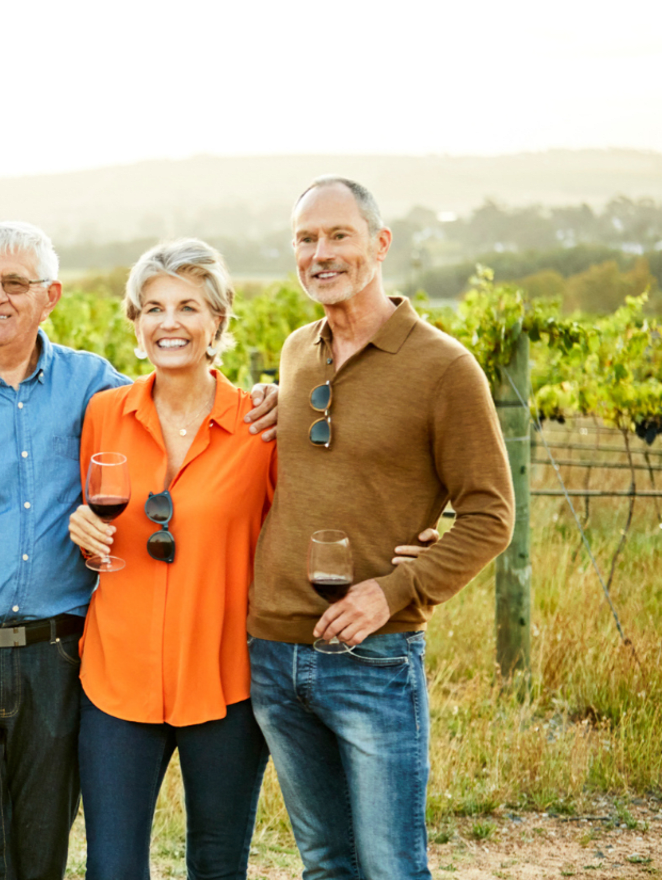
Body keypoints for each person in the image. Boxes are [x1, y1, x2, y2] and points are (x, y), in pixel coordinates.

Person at [0, 221, 280, 879]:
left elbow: (181, 399)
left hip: (55, 662)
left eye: (15, 283)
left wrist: (270, 400)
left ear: (50, 295)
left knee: (43, 863)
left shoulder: (95, 389)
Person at [65, 240, 436, 880]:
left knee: (218, 865)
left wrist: (417, 539)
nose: (169, 323)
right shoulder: (103, 413)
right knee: (111, 869)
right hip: (115, 676)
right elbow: (88, 514)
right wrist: (80, 525)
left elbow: (331, 499)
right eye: (152, 308)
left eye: (187, 307)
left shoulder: (266, 423)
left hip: (226, 677)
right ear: (135, 323)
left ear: (217, 323)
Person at [247, 176, 513, 879]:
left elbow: (490, 516)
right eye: (306, 239)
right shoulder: (298, 351)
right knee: (326, 865)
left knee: (391, 867)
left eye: (339, 235)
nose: (320, 253)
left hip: (373, 656)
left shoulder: (445, 368)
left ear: (380, 244)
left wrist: (392, 591)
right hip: (274, 649)